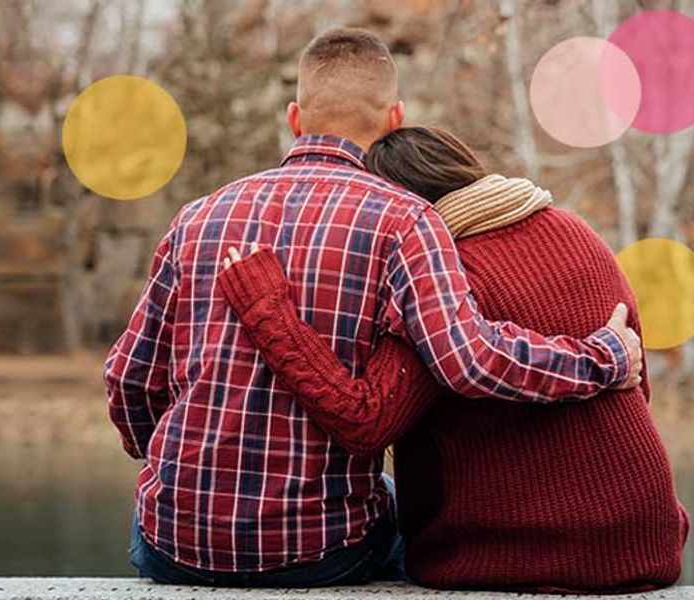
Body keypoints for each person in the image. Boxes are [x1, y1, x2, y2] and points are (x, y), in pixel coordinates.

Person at [104, 28, 643, 588]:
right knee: (397, 505)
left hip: (173, 541)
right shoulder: (407, 221)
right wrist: (600, 359)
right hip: (318, 551)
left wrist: (177, 470)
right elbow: (468, 360)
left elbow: (127, 379)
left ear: (294, 119)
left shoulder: (197, 218)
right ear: (395, 118)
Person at [218, 126, 688, 593]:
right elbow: (637, 384)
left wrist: (269, 313)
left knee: (357, 520)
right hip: (648, 540)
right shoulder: (578, 231)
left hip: (514, 550)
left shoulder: (441, 280)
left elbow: (366, 420)